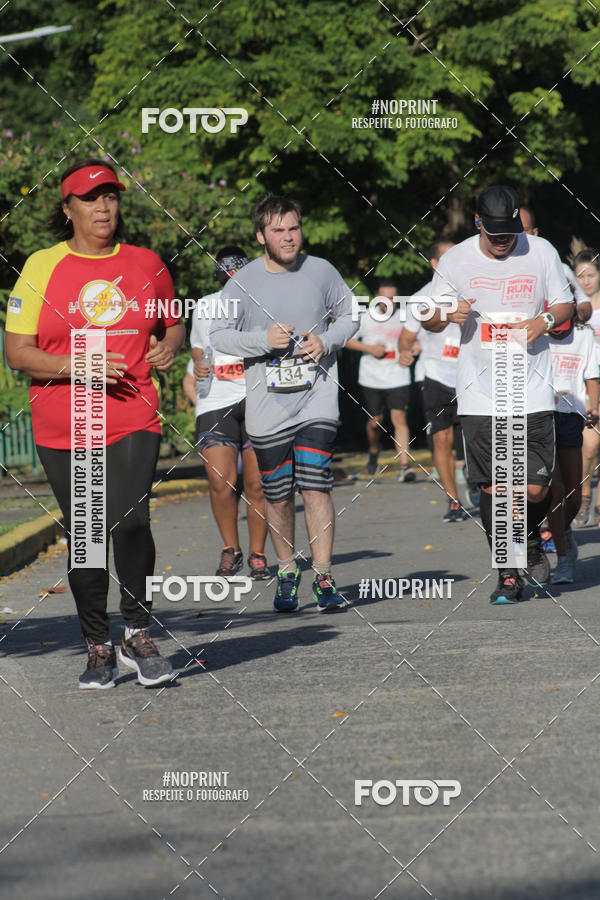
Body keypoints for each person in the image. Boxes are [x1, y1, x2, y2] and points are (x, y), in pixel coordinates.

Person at [5, 158, 184, 688]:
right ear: (68, 209)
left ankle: (137, 631)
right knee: (85, 535)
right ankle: (97, 645)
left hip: (132, 407)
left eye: (110, 195)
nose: (102, 206)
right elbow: (19, 352)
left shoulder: (147, 263)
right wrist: (77, 364)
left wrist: (168, 348)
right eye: (89, 198)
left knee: (130, 521)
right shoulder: (41, 266)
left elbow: (171, 325)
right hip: (70, 418)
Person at [424, 185, 573, 604]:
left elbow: (563, 305)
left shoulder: (541, 251)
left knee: (535, 490)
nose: (504, 241)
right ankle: (508, 574)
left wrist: (543, 320)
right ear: (478, 225)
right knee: (494, 489)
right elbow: (430, 318)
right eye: (495, 235)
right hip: (479, 394)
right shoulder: (456, 259)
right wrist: (446, 315)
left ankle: (527, 534)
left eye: (509, 233)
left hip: (532, 389)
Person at [211, 192, 357, 612]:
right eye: (279, 231)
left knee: (315, 484)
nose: (289, 237)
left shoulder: (322, 271)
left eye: (294, 228)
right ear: (261, 235)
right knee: (276, 494)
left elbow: (351, 315)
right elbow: (219, 336)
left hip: (317, 399)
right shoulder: (243, 282)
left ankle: (325, 576)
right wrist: (263, 340)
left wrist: (325, 339)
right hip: (267, 408)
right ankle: (288, 569)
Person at [184, 245, 269, 579]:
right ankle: (230, 549)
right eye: (227, 279)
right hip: (215, 400)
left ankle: (258, 554)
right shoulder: (205, 305)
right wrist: (198, 362)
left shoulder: (264, 305)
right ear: (219, 279)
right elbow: (197, 345)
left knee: (257, 485)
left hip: (258, 398)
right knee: (221, 481)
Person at [398, 240, 473, 521]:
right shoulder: (421, 298)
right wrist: (406, 352)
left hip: (473, 376)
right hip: (437, 377)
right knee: (442, 439)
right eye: (448, 256)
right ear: (434, 264)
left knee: (474, 441)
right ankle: (453, 500)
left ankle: (476, 479)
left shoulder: (474, 289)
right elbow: (405, 339)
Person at [546, 309, 599, 582]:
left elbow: (591, 374)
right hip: (539, 414)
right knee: (554, 493)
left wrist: (594, 406)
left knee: (574, 496)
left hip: (571, 414)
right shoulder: (534, 333)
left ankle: (562, 533)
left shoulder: (583, 335)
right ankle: (564, 558)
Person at [345, 279, 417, 481]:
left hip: (398, 374)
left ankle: (405, 466)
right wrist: (369, 349)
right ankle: (374, 450)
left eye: (393, 299)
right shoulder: (364, 317)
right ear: (377, 297)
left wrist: (413, 349)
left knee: (399, 419)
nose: (389, 303)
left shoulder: (403, 317)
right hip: (372, 377)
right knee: (375, 422)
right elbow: (346, 340)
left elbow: (415, 340)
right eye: (385, 298)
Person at [520, 206, 592, 322]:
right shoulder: (499, 268)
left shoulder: (561, 269)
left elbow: (584, 303)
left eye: (525, 230)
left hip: (553, 338)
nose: (520, 236)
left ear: (535, 232)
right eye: (515, 230)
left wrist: (570, 314)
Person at [573, 249, 600, 525]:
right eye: (580, 276)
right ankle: (584, 494)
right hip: (581, 385)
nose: (586, 281)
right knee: (589, 445)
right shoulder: (572, 311)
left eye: (591, 275)